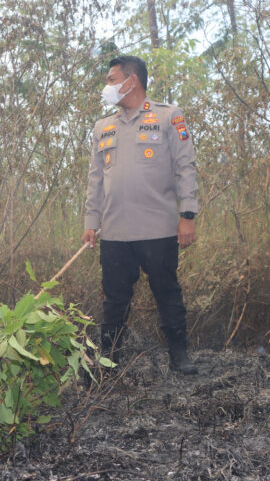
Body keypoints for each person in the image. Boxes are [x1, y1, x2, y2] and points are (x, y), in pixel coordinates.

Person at [82, 55, 199, 375]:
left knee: (167, 293)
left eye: (111, 80)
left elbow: (185, 167)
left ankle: (179, 357)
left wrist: (187, 214)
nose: (107, 86)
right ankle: (109, 362)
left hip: (157, 229)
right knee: (114, 302)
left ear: (131, 81)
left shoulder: (168, 116)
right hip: (115, 232)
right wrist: (91, 222)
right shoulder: (103, 126)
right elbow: (96, 179)